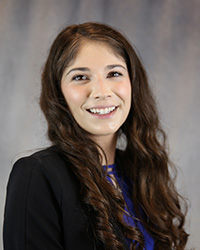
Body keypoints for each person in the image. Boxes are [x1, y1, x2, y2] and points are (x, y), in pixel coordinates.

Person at [3, 22, 188, 250]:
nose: (101, 91)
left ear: (132, 84)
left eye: (114, 73)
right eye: (80, 77)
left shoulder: (139, 171)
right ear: (58, 93)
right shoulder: (38, 175)